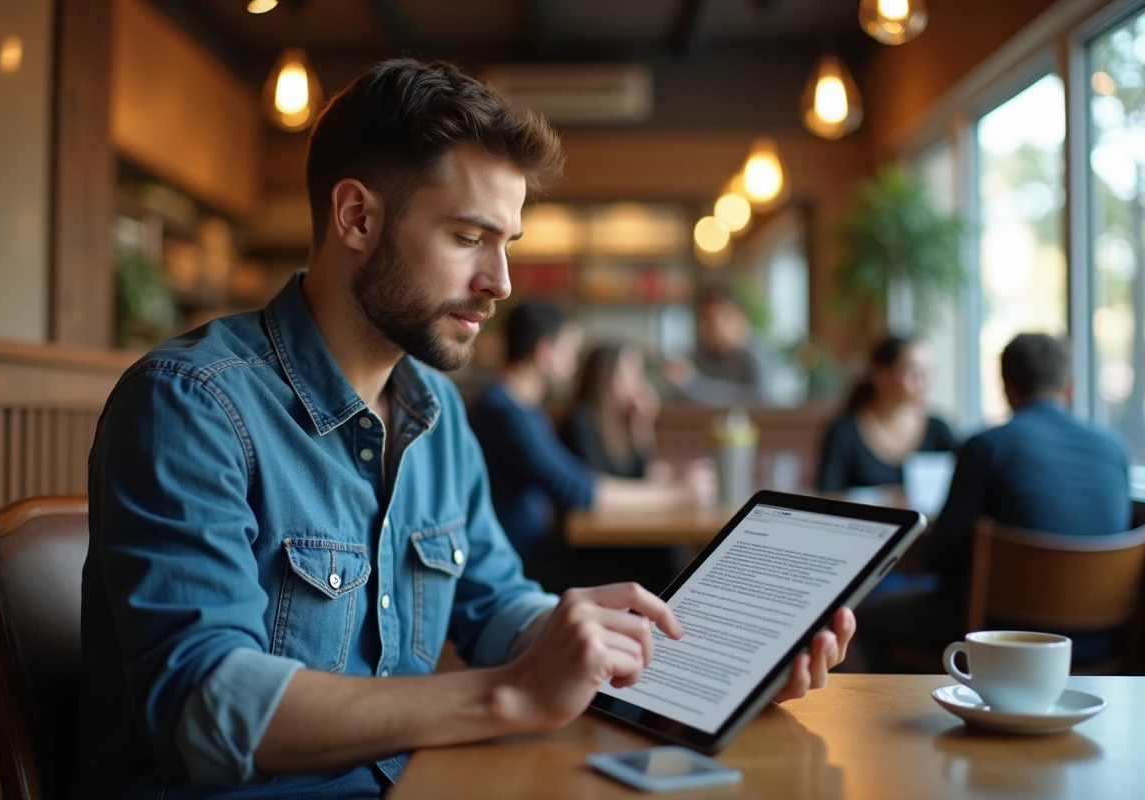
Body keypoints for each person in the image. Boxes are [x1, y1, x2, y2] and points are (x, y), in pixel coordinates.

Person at [75, 59, 854, 799]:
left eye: (506, 244)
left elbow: (497, 605)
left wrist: (680, 667)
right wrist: (507, 696)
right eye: (468, 237)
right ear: (356, 217)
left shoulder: (437, 415)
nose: (501, 283)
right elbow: (204, 704)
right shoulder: (191, 404)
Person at [856, 333, 1132, 671]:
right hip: (1100, 637)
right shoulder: (1115, 448)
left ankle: (904, 704)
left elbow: (939, 558)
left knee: (864, 616)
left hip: (997, 634)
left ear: (1007, 389)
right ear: (1070, 388)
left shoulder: (987, 447)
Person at [469, 302, 714, 589]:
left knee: (659, 554)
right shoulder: (504, 411)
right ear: (545, 352)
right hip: (520, 564)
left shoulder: (521, 408)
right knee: (656, 561)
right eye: (570, 350)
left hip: (531, 552)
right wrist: (677, 494)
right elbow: (580, 489)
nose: (574, 363)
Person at [816, 335, 955, 492]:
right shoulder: (844, 433)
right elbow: (827, 495)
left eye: (929, 372)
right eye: (915, 373)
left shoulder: (939, 432)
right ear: (881, 376)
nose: (925, 382)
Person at [560, 343, 664, 480]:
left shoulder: (623, 420)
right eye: (633, 374)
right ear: (607, 378)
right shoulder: (581, 423)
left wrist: (642, 423)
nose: (639, 384)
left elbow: (639, 473)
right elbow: (598, 484)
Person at [664, 287, 769, 405]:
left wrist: (692, 383)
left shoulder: (758, 356)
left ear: (743, 318)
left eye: (726, 317)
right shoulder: (698, 358)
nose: (717, 325)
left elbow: (758, 399)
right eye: (708, 318)